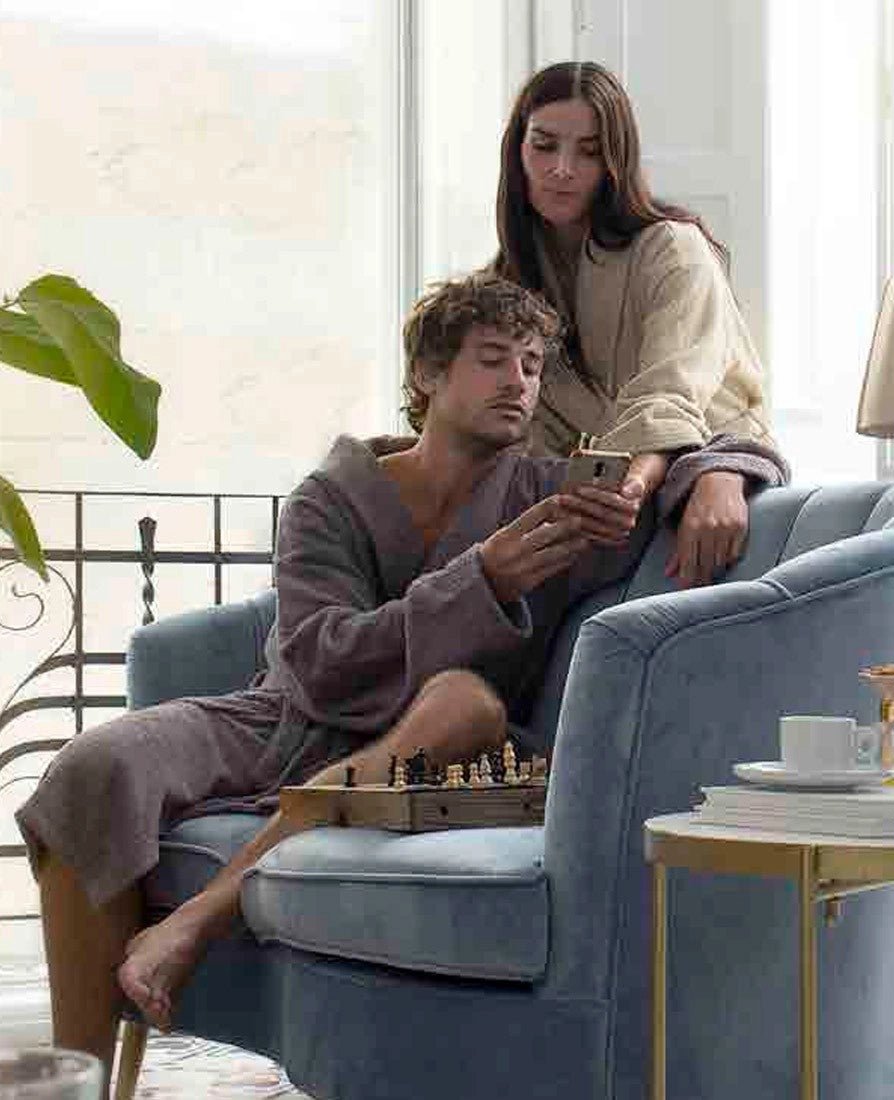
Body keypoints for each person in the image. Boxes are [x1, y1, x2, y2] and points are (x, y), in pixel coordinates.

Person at [15, 273, 778, 1096]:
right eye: (493, 359)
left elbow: (705, 447)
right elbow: (319, 661)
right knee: (94, 768)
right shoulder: (331, 500)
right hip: (285, 718)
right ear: (426, 375)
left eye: (531, 365)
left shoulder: (550, 500)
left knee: (464, 699)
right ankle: (76, 1085)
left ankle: (203, 915)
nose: (519, 381)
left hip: (442, 741)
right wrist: (482, 578)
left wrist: (721, 473)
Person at [492, 60, 789, 587]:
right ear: (517, 148)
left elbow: (669, 390)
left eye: (589, 151)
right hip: (593, 506)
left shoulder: (672, 249)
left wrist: (634, 484)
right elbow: (516, 434)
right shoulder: (505, 288)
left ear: (616, 160)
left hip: (693, 468)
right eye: (544, 145)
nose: (562, 169)